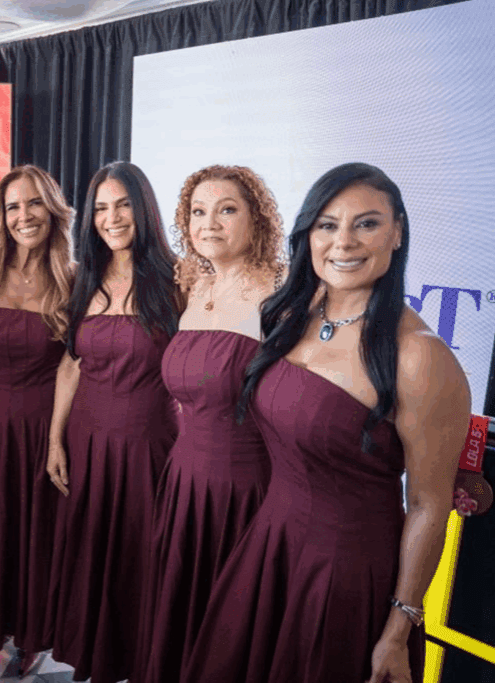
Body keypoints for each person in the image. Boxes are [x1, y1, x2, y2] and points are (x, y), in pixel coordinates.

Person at [183, 162, 471, 683]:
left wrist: (399, 627)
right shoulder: (294, 314)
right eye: (327, 225)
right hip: (267, 548)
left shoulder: (419, 357)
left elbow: (430, 504)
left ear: (398, 232)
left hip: (344, 578)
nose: (344, 242)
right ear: (307, 233)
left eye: (367, 223)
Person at [135, 165, 285, 683]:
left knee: (226, 629)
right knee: (179, 613)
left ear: (256, 220)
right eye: (198, 211)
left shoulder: (280, 299)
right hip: (183, 480)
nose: (210, 222)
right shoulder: (195, 289)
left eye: (227, 209)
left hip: (247, 489)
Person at [45, 160, 181, 683]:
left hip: (151, 447)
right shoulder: (85, 279)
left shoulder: (176, 280)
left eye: (123, 204)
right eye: (101, 207)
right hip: (88, 443)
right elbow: (70, 364)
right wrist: (56, 440)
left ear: (143, 208)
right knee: (92, 561)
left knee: (140, 564)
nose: (111, 217)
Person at [0, 165, 74, 661]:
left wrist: (60, 437)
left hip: (43, 427)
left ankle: (31, 636)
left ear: (52, 208)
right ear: (1, 217)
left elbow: (80, 360)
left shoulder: (74, 278)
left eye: (33, 203)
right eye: (12, 207)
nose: (24, 215)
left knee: (35, 536)